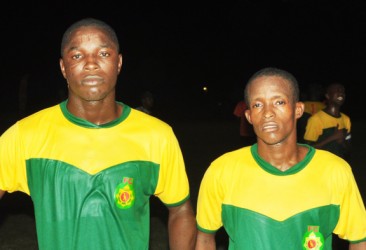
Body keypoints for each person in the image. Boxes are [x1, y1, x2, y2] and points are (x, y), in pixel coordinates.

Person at [0, 18, 196, 250]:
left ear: (119, 63)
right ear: (63, 68)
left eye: (103, 54)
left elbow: (181, 210)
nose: (91, 64)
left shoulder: (156, 135)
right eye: (77, 56)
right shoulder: (25, 135)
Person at [195, 67, 366, 249]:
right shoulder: (222, 170)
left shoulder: (335, 171)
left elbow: (359, 240)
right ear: (249, 116)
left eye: (279, 102)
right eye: (257, 105)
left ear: (298, 110)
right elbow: (204, 239)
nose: (267, 112)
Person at [304, 82, 351, 161]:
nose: (341, 93)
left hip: (340, 164)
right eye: (337, 90)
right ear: (328, 96)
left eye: (343, 91)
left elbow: (348, 147)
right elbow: (307, 150)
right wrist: (332, 138)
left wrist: (342, 142)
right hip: (322, 166)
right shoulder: (316, 119)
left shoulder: (346, 119)